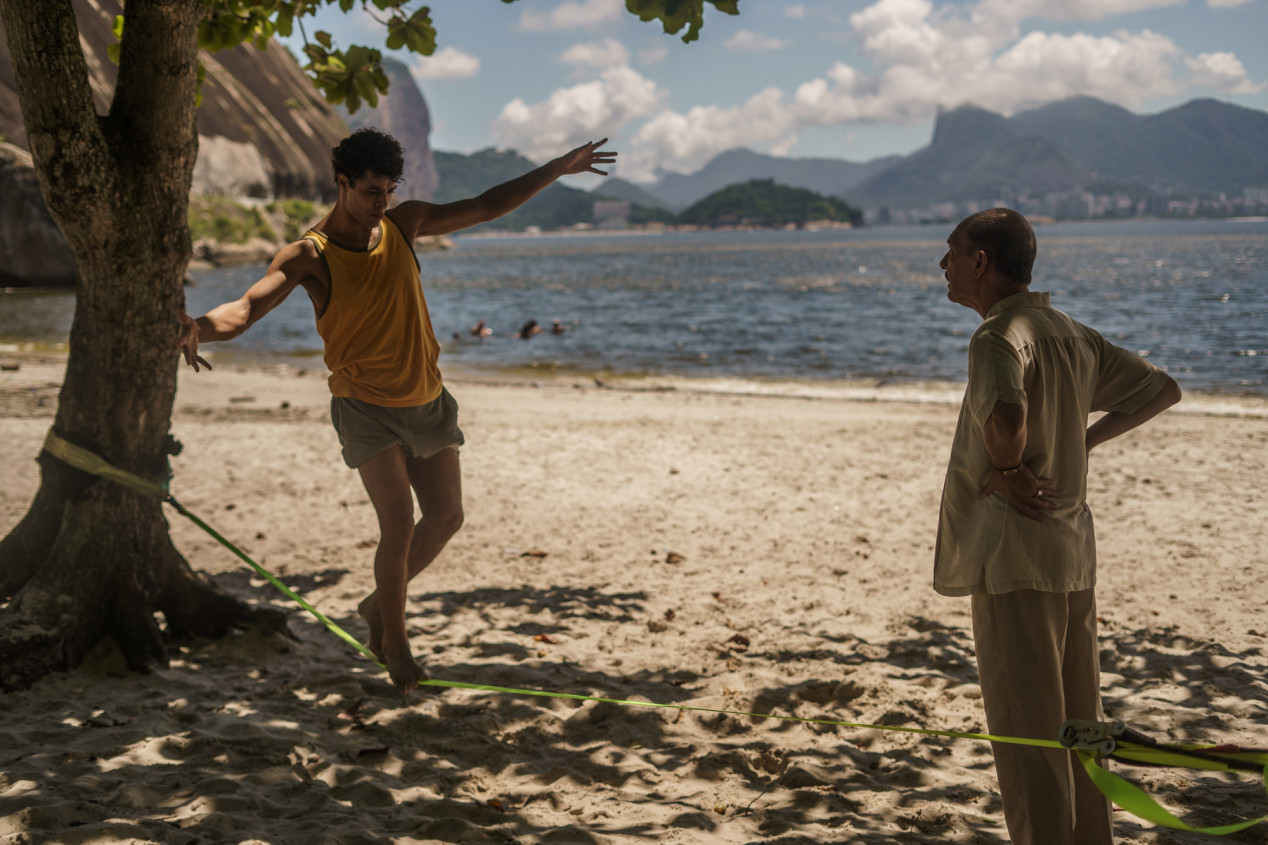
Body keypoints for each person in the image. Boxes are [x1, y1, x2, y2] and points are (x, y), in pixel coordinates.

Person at [177, 128, 616, 693]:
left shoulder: (404, 226)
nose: (380, 202)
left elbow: (484, 206)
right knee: (399, 523)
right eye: (369, 191)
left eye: (388, 190)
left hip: (427, 398)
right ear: (342, 183)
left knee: (447, 518)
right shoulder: (311, 254)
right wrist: (198, 329)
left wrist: (557, 167)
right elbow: (244, 309)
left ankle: (374, 604)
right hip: (365, 407)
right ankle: (395, 642)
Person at [933, 208, 1181, 844]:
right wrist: (1083, 440)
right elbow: (1161, 389)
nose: (944, 264)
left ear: (981, 262)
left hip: (1016, 556)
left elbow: (1009, 416)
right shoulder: (1071, 332)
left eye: (952, 251)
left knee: (1028, 735)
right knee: (1080, 728)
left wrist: (1009, 469)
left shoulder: (995, 337)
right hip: (1071, 555)